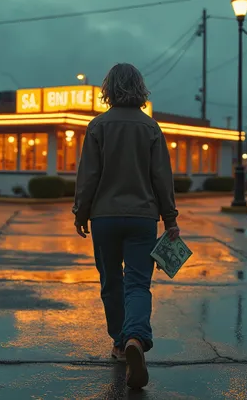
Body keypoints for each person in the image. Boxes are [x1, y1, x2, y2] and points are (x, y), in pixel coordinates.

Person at [72, 63, 180, 390]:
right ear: (139, 87)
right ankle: (136, 337)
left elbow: (88, 176)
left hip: (104, 217)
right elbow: (162, 178)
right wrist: (171, 219)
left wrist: (80, 212)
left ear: (108, 88)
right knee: (137, 283)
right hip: (142, 218)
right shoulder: (151, 128)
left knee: (111, 282)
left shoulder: (98, 126)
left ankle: (120, 344)